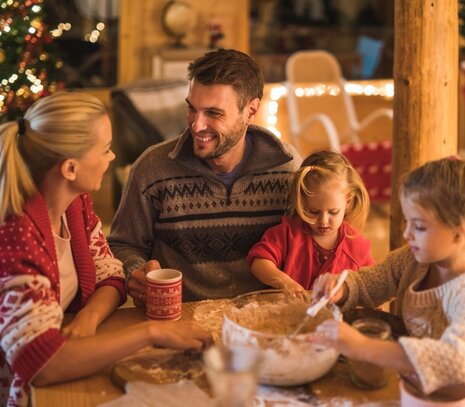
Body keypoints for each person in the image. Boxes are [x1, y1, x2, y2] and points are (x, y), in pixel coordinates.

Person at [0, 92, 212, 407]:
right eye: (106, 149)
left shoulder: (75, 203)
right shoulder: (17, 234)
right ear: (70, 168)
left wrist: (89, 316)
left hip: (71, 355)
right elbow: (42, 364)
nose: (112, 158)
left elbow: (111, 275)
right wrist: (151, 333)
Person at [107, 49, 303, 304]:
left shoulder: (289, 169)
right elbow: (122, 245)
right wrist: (134, 270)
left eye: (213, 113)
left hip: (263, 321)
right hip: (180, 321)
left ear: (251, 111)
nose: (196, 125)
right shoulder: (151, 168)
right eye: (192, 108)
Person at [309, 158, 465, 406]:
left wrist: (363, 347)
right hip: (416, 390)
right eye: (407, 222)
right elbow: (369, 283)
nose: (406, 234)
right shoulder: (413, 260)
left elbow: (456, 361)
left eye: (419, 226)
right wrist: (342, 288)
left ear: (459, 233)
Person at [247, 150, 375, 294]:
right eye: (313, 212)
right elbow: (259, 263)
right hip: (289, 313)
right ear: (302, 203)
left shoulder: (357, 246)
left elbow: (371, 285)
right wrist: (285, 283)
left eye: (333, 212)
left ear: (348, 202)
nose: (323, 221)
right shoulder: (288, 233)